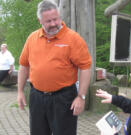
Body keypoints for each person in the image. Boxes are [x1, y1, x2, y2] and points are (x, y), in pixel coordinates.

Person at [17, 0, 91, 135]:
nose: (53, 24)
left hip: (64, 98)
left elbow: (85, 68)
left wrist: (81, 97)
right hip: (37, 97)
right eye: (48, 21)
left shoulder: (73, 39)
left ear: (59, 16)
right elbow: (23, 65)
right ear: (40, 20)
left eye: (55, 19)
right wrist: (20, 91)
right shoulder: (32, 38)